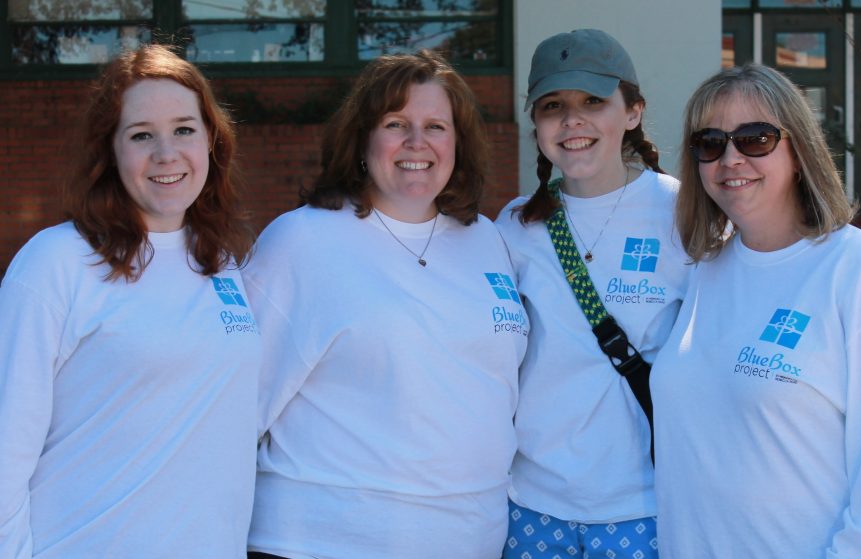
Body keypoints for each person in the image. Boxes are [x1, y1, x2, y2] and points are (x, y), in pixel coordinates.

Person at [244, 49, 528, 559]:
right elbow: (238, 407)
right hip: (323, 542)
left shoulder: (486, 239)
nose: (417, 143)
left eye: (436, 126)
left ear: (458, 143)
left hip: (471, 539)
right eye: (396, 123)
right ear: (362, 139)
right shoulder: (302, 241)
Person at [0, 45, 260, 558]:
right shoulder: (57, 262)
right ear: (110, 151)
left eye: (184, 129)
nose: (167, 153)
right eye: (142, 135)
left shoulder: (222, 263)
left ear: (211, 140)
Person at [651, 62, 861, 557]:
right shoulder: (706, 268)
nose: (730, 159)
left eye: (755, 138)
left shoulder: (860, 272)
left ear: (799, 149)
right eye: (710, 143)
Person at [494, 29, 689, 559]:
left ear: (632, 112)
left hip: (644, 506)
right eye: (553, 105)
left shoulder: (686, 214)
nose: (571, 120)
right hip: (530, 503)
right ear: (534, 121)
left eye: (593, 102)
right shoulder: (513, 226)